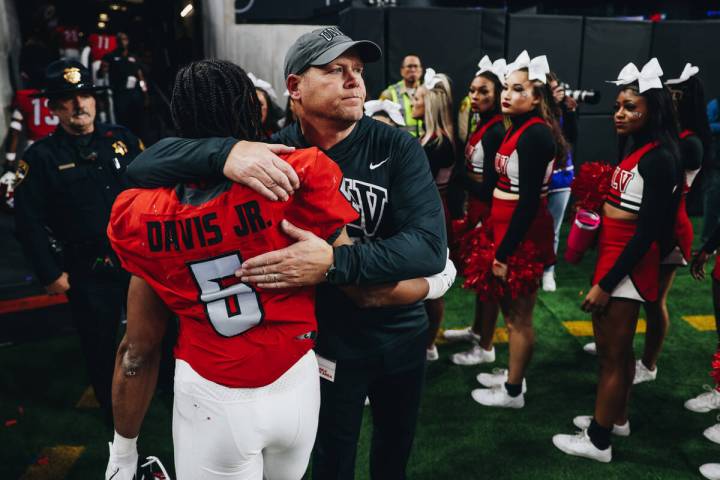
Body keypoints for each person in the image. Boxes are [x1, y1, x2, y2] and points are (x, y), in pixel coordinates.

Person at [119, 27, 447, 479]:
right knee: (332, 458)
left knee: (394, 452)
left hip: (397, 331)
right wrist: (226, 152)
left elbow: (429, 247)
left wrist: (334, 263)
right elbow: (142, 165)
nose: (355, 80)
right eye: (335, 70)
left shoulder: (395, 145)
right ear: (294, 87)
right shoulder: (271, 151)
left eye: (358, 70)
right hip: (322, 342)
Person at [105, 59, 359, 480]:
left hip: (213, 393)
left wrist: (124, 454)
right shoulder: (298, 174)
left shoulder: (141, 213)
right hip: (295, 381)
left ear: (179, 117)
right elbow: (347, 266)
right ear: (253, 107)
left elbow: (137, 350)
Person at [552, 58, 683, 463]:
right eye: (618, 106)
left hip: (626, 268)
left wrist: (606, 282)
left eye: (630, 107)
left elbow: (647, 233)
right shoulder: (641, 150)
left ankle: (599, 440)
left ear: (653, 110)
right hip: (616, 259)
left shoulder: (659, 157)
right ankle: (616, 418)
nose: (620, 114)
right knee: (619, 354)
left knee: (611, 356)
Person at [13, 59, 143, 420]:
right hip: (86, 270)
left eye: (85, 95)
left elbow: (151, 191)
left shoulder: (122, 140)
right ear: (53, 108)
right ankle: (111, 407)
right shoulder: (40, 158)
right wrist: (50, 272)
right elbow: (28, 222)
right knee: (100, 344)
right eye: (68, 99)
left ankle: (159, 387)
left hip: (137, 261)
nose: (79, 105)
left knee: (150, 330)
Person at [469, 50, 560, 409]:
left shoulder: (535, 135)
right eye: (506, 87)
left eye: (518, 89)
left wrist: (505, 252)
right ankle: (511, 375)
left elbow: (527, 204)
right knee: (511, 313)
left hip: (521, 234)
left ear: (537, 97)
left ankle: (513, 391)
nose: (507, 94)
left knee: (520, 318)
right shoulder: (518, 128)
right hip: (505, 227)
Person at [633, 63, 708, 384]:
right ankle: (624, 343)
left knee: (653, 300)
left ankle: (649, 364)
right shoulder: (667, 135)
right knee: (634, 293)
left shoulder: (689, 142)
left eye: (677, 96)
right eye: (669, 95)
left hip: (671, 226)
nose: (671, 101)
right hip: (649, 220)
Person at [443, 56, 506, 367]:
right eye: (473, 91)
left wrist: (460, 178)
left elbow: (490, 185)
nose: (477, 97)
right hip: (477, 209)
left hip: (489, 213)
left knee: (490, 284)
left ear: (498, 93)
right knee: (481, 282)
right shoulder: (484, 124)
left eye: (485, 91)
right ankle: (478, 330)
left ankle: (487, 345)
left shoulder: (496, 130)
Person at [411, 68, 456, 361]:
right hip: (434, 211)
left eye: (417, 97)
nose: (413, 101)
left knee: (433, 281)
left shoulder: (435, 144)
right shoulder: (434, 140)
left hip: (431, 215)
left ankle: (428, 345)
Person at [542, 72, 579, 292]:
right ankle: (533, 267)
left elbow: (572, 138)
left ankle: (549, 271)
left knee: (553, 228)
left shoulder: (562, 110)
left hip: (561, 176)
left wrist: (571, 111)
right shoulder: (533, 113)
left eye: (559, 88)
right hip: (538, 178)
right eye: (553, 89)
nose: (559, 93)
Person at [101, 32, 149, 137]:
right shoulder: (110, 56)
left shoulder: (133, 57)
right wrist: (102, 68)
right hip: (120, 94)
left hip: (135, 93)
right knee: (123, 122)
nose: (123, 42)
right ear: (117, 42)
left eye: (125, 39)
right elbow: (102, 74)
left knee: (139, 121)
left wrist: (145, 94)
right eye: (120, 39)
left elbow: (140, 77)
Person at [379, 54, 424, 136]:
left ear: (421, 70)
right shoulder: (389, 93)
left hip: (424, 143)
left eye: (416, 66)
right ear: (402, 71)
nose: (413, 69)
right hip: (401, 144)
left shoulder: (427, 93)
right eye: (409, 66)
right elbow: (380, 122)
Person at [248, 72, 284, 137]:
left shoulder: (279, 136)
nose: (254, 108)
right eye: (249, 104)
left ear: (268, 107)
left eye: (260, 104)